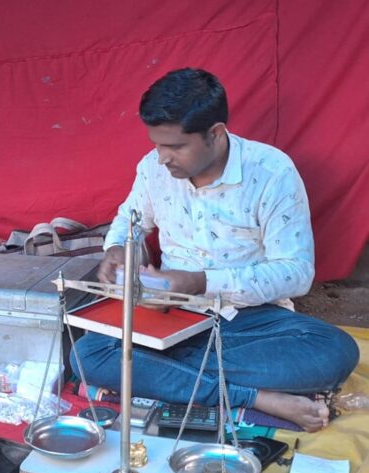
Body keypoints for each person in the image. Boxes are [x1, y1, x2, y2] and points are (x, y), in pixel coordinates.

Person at [73, 68, 359, 432]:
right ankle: (256, 397)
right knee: (89, 353)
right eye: (157, 144)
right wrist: (118, 248)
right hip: (171, 315)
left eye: (175, 146)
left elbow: (296, 274)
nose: (162, 157)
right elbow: (130, 222)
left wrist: (199, 282)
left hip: (250, 322)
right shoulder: (152, 169)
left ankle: (169, 373)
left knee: (333, 353)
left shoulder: (271, 172)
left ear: (216, 134)